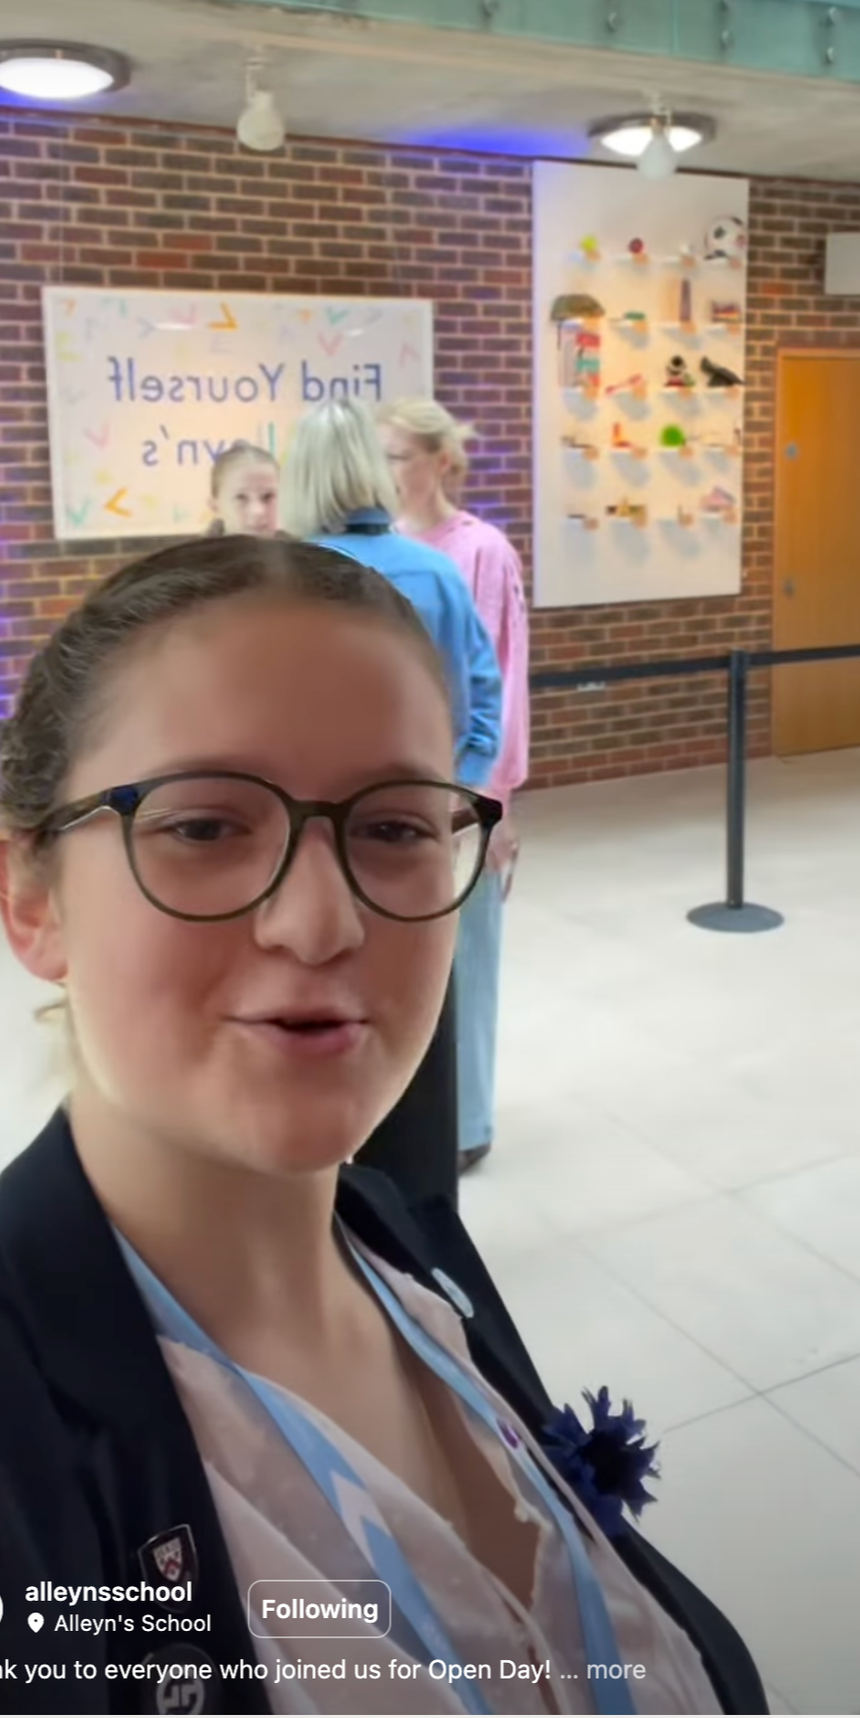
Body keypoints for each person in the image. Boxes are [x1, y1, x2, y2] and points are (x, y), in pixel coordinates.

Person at [0, 536, 764, 1716]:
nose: (320, 923)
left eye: (397, 827)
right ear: (29, 897)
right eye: (204, 827)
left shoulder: (404, 1240)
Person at [380, 399, 529, 1176]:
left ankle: (468, 1119)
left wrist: (492, 800)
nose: (388, 472)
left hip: (461, 795)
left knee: (468, 957)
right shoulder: (375, 548)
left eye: (400, 455)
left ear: (441, 460)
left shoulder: (481, 552)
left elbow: (502, 677)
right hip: (388, 793)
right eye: (380, 456)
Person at [281, 398, 502, 794]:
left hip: (314, 797)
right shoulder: (438, 574)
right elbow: (479, 685)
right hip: (425, 790)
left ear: (298, 476)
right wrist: (467, 777)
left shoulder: (280, 583)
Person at [205, 441, 282, 537]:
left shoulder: (296, 545)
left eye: (268, 496)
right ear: (215, 507)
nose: (257, 511)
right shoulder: (195, 547)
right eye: (241, 497)